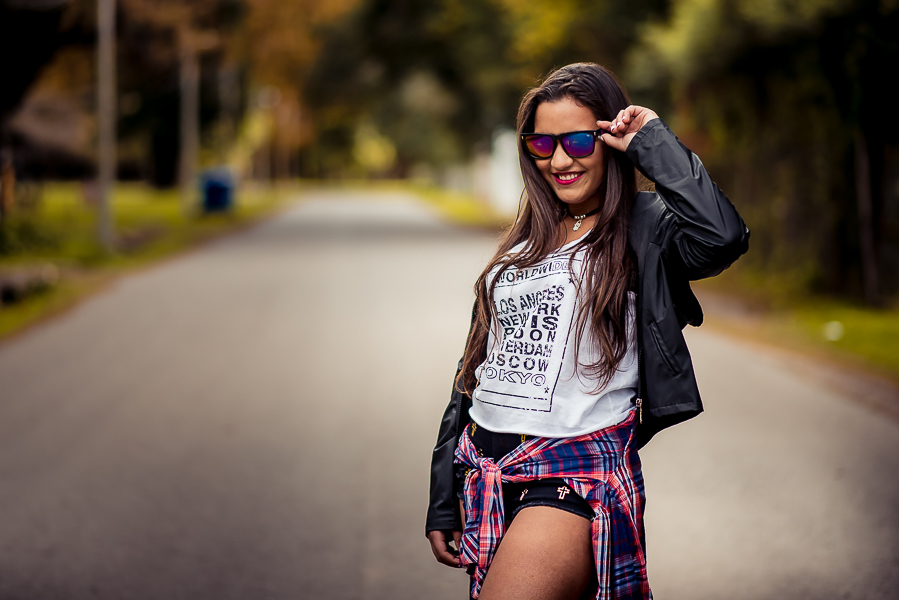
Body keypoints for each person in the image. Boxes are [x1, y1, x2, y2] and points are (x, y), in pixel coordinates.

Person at [425, 62, 749, 600]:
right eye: (542, 144)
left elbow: (723, 236)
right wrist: (443, 494)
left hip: (573, 474)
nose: (559, 160)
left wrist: (650, 140)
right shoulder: (525, 238)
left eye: (577, 141)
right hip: (485, 470)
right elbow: (476, 371)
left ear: (608, 139)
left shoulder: (646, 226)